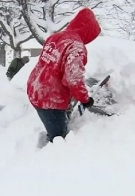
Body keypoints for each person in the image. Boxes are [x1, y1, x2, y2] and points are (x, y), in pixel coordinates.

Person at [27, 8, 101, 143]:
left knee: (57, 130)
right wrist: (85, 99)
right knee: (60, 140)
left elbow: (53, 66)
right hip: (50, 99)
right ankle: (47, 159)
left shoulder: (55, 37)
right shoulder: (76, 47)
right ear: (89, 32)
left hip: (35, 88)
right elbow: (74, 78)